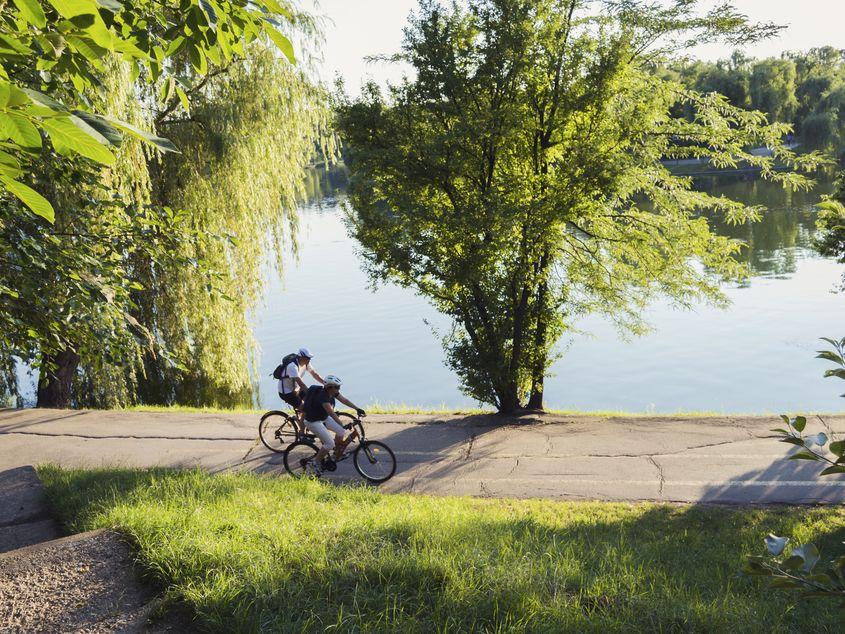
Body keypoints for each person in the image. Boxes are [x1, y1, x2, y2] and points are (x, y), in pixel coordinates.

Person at [300, 375, 366, 475]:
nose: (338, 389)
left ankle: (337, 452)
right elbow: (332, 413)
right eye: (337, 387)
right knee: (329, 443)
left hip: (324, 418)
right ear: (330, 387)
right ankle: (315, 463)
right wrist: (342, 424)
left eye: (339, 387)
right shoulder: (322, 397)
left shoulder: (332, 392)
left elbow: (345, 400)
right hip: (313, 422)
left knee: (341, 431)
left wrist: (357, 409)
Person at [278, 347, 324, 421]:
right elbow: (301, 384)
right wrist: (311, 394)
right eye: (307, 358)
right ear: (301, 357)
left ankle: (300, 419)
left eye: (310, 358)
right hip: (287, 392)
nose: (309, 360)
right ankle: (301, 431)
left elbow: (314, 374)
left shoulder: (306, 363)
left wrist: (325, 383)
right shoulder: (292, 366)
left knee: (312, 404)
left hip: (296, 388)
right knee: (306, 410)